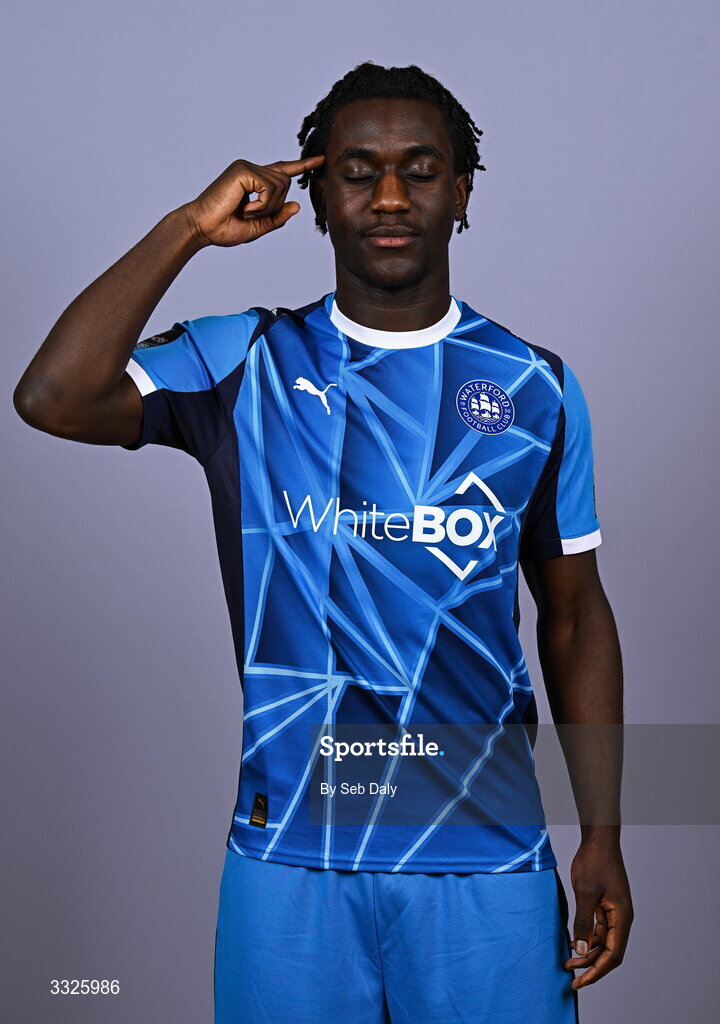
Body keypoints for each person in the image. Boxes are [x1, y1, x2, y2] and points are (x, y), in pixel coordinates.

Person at [13, 61, 633, 1024]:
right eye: (357, 169)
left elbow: (575, 615)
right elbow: (52, 398)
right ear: (316, 193)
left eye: (422, 169)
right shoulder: (242, 360)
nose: (390, 196)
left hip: (485, 855)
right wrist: (189, 227)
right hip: (289, 856)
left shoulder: (534, 386)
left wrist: (603, 834)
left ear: (462, 195)